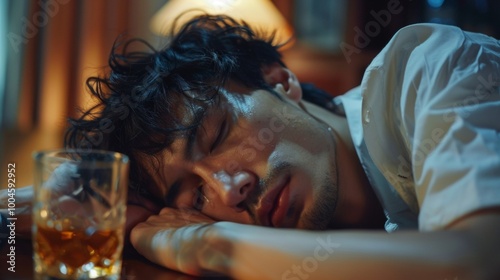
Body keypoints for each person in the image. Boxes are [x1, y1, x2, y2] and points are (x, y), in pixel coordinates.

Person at [2, 14, 500, 279]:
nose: (229, 189)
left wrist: (209, 246)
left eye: (217, 134)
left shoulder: (433, 70)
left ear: (280, 81)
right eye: (193, 198)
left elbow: (472, 264)